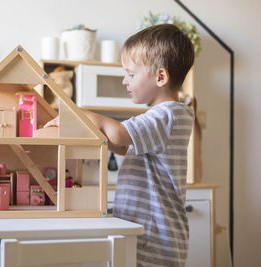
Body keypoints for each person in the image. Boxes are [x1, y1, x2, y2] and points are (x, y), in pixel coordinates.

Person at [45, 24, 195, 266]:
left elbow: (119, 134)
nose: (125, 81)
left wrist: (80, 113)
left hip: (154, 237)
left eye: (131, 74)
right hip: (146, 232)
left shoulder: (167, 115)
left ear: (160, 77)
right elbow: (124, 147)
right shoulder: (161, 117)